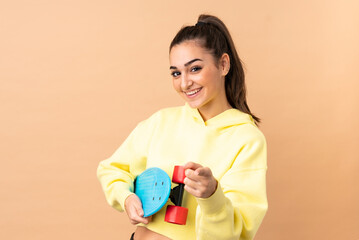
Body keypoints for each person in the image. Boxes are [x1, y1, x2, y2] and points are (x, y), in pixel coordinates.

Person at [97, 14, 268, 240]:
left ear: (223, 64)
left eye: (195, 68)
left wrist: (212, 196)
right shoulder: (161, 121)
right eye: (176, 73)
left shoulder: (247, 139)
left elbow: (237, 232)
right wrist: (126, 197)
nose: (184, 83)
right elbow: (113, 169)